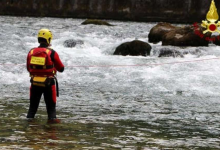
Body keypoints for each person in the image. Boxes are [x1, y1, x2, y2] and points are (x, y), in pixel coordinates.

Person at [26, 29, 64, 123]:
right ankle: (51, 132)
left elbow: (28, 68)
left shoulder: (31, 52)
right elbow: (61, 68)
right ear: (49, 39)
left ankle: (28, 131)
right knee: (51, 112)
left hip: (34, 84)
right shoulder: (52, 53)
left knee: (31, 111)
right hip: (49, 84)